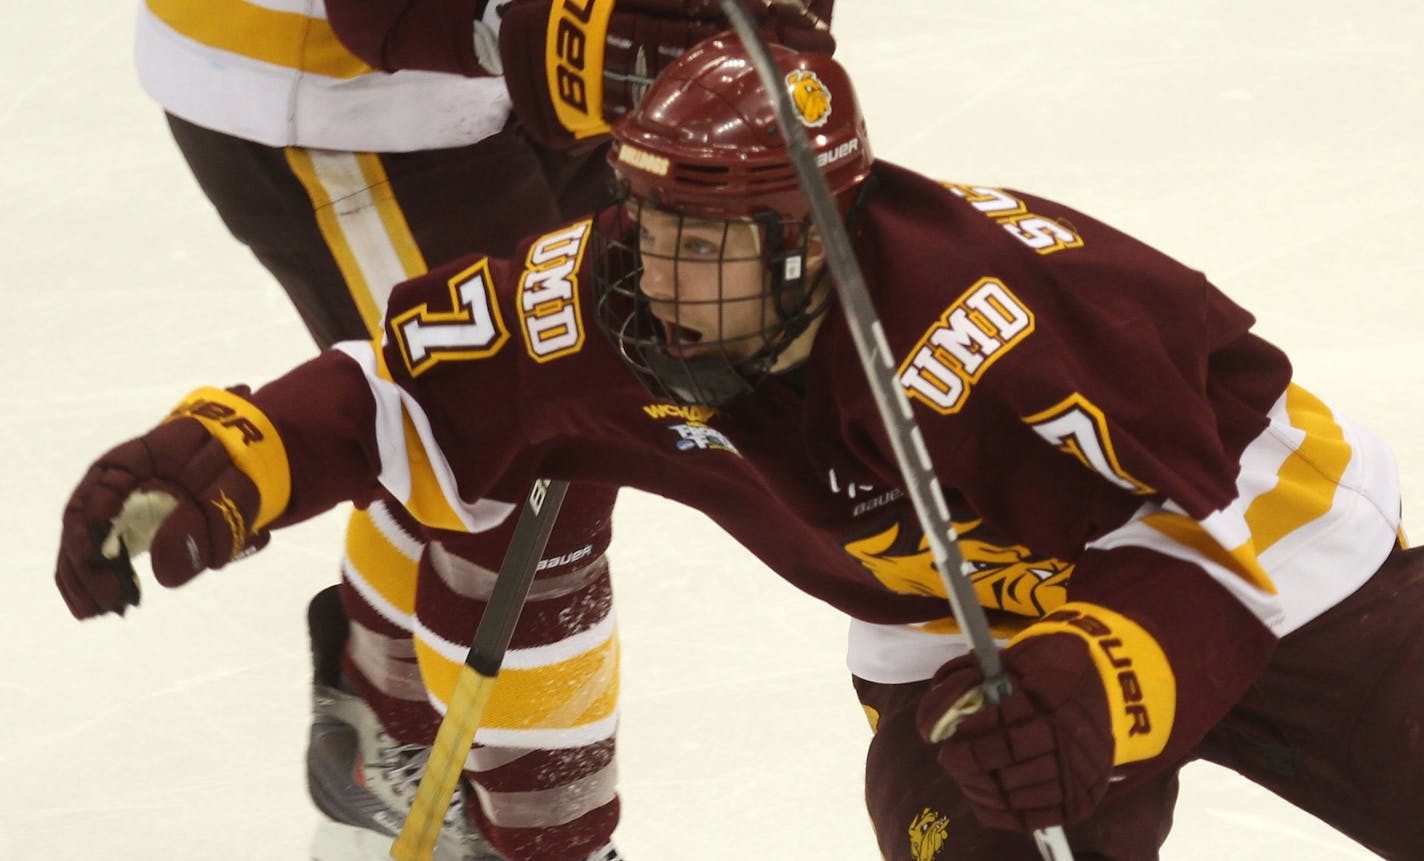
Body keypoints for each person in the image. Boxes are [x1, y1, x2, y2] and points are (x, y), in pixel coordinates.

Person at [58, 32, 1424, 860]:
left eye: (705, 242)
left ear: (806, 239)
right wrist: (222, 459)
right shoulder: (592, 297)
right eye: (651, 222)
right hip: (966, 645)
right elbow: (407, 394)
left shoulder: (987, 319)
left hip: (1272, 572)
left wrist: (1111, 676)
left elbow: (1243, 504)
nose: (660, 266)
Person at [131, 2, 831, 859]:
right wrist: (531, 24)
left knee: (526, 415)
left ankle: (380, 720)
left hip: (558, 75)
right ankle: (541, 841)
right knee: (509, 451)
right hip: (341, 89)